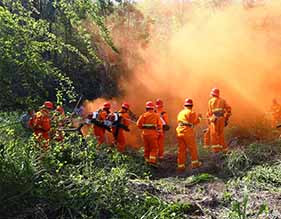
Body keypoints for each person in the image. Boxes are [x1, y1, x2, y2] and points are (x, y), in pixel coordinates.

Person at [176, 98, 202, 171]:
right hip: (187, 132)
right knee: (192, 148)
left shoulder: (181, 112)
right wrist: (200, 118)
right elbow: (195, 122)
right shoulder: (191, 112)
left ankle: (180, 166)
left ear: (185, 105)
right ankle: (195, 164)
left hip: (179, 131)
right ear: (191, 106)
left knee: (181, 149)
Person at [137, 101, 162, 166]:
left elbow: (138, 125)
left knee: (146, 148)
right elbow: (160, 125)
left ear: (146, 108)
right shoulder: (156, 116)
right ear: (152, 108)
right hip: (153, 135)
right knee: (154, 148)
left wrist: (143, 127)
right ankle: (152, 162)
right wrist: (159, 132)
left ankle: (146, 161)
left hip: (144, 134)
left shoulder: (143, 115)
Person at [207, 88, 231, 152]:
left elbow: (209, 113)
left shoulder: (210, 101)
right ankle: (224, 150)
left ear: (212, 94)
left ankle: (216, 150)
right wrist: (226, 119)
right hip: (222, 119)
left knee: (214, 134)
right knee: (221, 134)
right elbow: (229, 110)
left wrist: (210, 120)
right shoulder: (223, 100)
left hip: (214, 119)